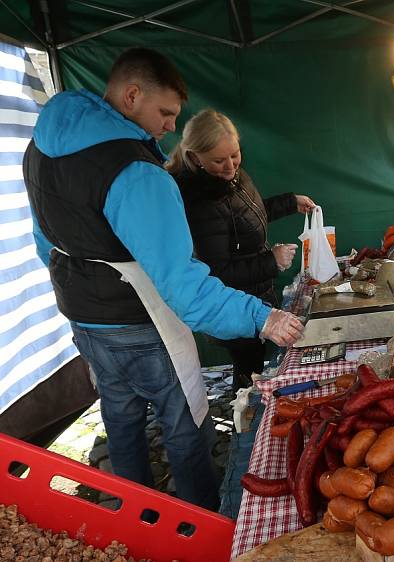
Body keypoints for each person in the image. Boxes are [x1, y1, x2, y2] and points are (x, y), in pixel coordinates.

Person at [22, 48, 304, 511]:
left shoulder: (40, 148)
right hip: (139, 322)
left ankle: (130, 512)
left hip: (81, 316)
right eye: (166, 113)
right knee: (184, 422)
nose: (172, 126)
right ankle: (198, 520)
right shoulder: (136, 172)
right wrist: (261, 316)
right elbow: (184, 288)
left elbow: (43, 240)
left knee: (120, 415)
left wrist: (79, 291)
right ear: (132, 96)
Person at [166, 110, 315, 390]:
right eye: (219, 160)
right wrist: (270, 261)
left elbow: (247, 217)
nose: (230, 165)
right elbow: (218, 273)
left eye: (234, 155)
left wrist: (289, 203)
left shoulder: (232, 177)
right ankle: (246, 426)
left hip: (256, 294)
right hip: (233, 306)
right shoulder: (200, 203)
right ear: (196, 158)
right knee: (249, 373)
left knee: (254, 364)